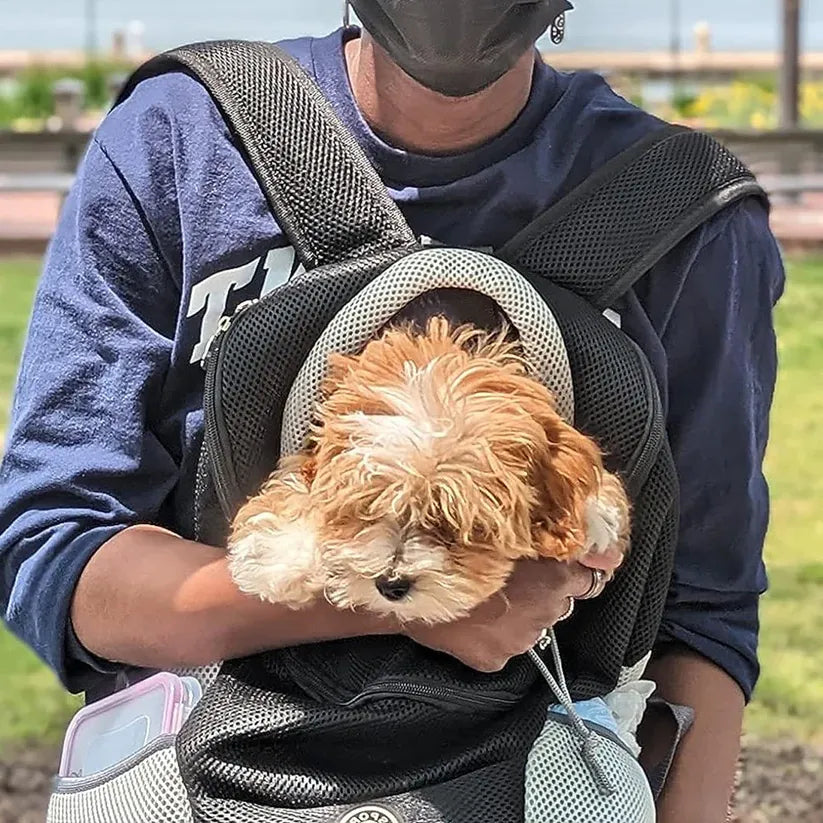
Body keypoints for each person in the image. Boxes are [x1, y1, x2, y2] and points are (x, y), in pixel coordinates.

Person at [0, 2, 783, 821]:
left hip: (527, 775)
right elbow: (57, 549)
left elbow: (702, 609)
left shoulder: (692, 218)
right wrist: (390, 600)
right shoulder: (183, 140)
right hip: (219, 775)